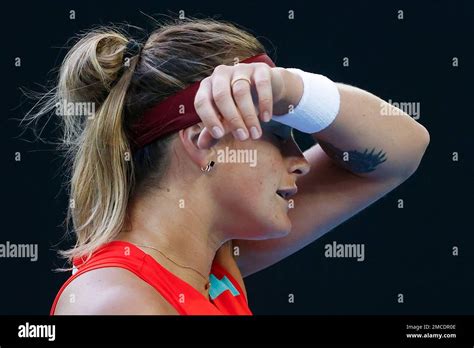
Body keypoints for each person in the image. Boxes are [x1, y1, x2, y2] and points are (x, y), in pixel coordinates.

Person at [27, 17, 429, 315]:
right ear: (205, 140)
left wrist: (290, 90)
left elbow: (403, 150)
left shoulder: (211, 262)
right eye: (276, 134)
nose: (299, 161)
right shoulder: (117, 303)